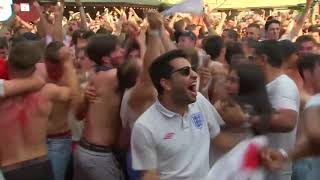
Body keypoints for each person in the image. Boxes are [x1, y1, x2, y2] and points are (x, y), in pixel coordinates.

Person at [131, 49, 222, 180]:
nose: (195, 75)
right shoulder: (145, 127)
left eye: (192, 69)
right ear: (166, 83)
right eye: (185, 71)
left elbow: (219, 139)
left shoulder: (200, 101)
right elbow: (150, 174)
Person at [0, 41, 72, 180]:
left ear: (8, 66)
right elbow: (74, 93)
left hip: (9, 169)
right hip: (40, 165)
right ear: (34, 67)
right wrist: (67, 64)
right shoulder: (48, 91)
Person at [73, 35, 126, 180]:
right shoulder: (112, 76)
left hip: (85, 151)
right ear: (106, 59)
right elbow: (143, 71)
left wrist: (85, 98)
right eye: (117, 49)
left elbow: (78, 115)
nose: (122, 51)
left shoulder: (96, 76)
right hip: (98, 156)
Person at [252, 40, 300, 180]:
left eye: (253, 59)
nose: (252, 64)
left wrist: (247, 118)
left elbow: (287, 121)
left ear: (263, 59)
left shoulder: (283, 86)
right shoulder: (267, 85)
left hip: (275, 172)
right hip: (262, 168)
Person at [43, 41, 81, 180]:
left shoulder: (71, 77)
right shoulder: (39, 71)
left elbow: (77, 106)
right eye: (50, 69)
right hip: (39, 141)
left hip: (59, 140)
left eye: (57, 69)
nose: (53, 74)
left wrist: (68, 65)